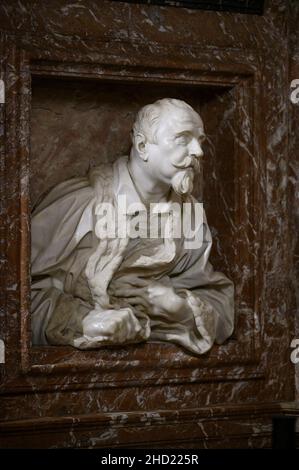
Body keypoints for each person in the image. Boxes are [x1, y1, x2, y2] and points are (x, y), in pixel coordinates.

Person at [31, 98, 234, 355]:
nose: (198, 152)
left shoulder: (190, 216)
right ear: (142, 145)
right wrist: (80, 321)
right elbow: (14, 294)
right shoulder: (78, 204)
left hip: (156, 366)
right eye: (183, 139)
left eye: (200, 140)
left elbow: (216, 299)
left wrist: (182, 310)